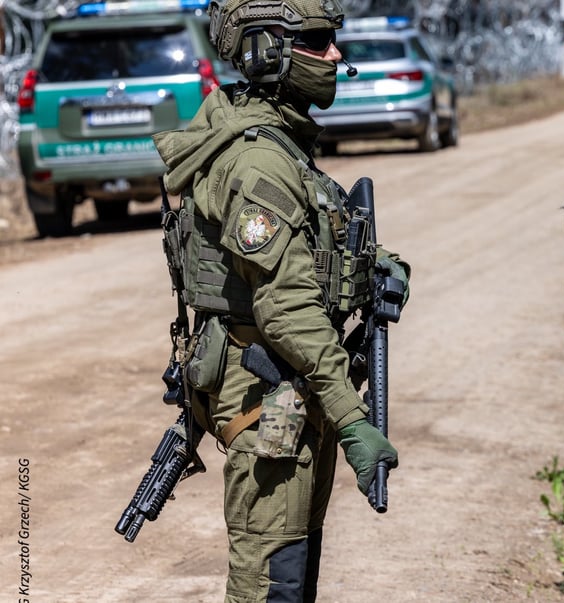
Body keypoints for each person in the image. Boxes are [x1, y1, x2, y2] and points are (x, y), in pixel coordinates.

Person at [152, 0, 409, 599]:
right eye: (319, 42)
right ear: (267, 52)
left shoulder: (272, 137)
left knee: (292, 576)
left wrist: (371, 268)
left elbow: (304, 260)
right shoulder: (261, 159)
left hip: (290, 394)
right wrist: (352, 420)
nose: (336, 55)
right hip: (268, 403)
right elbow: (285, 308)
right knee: (272, 586)